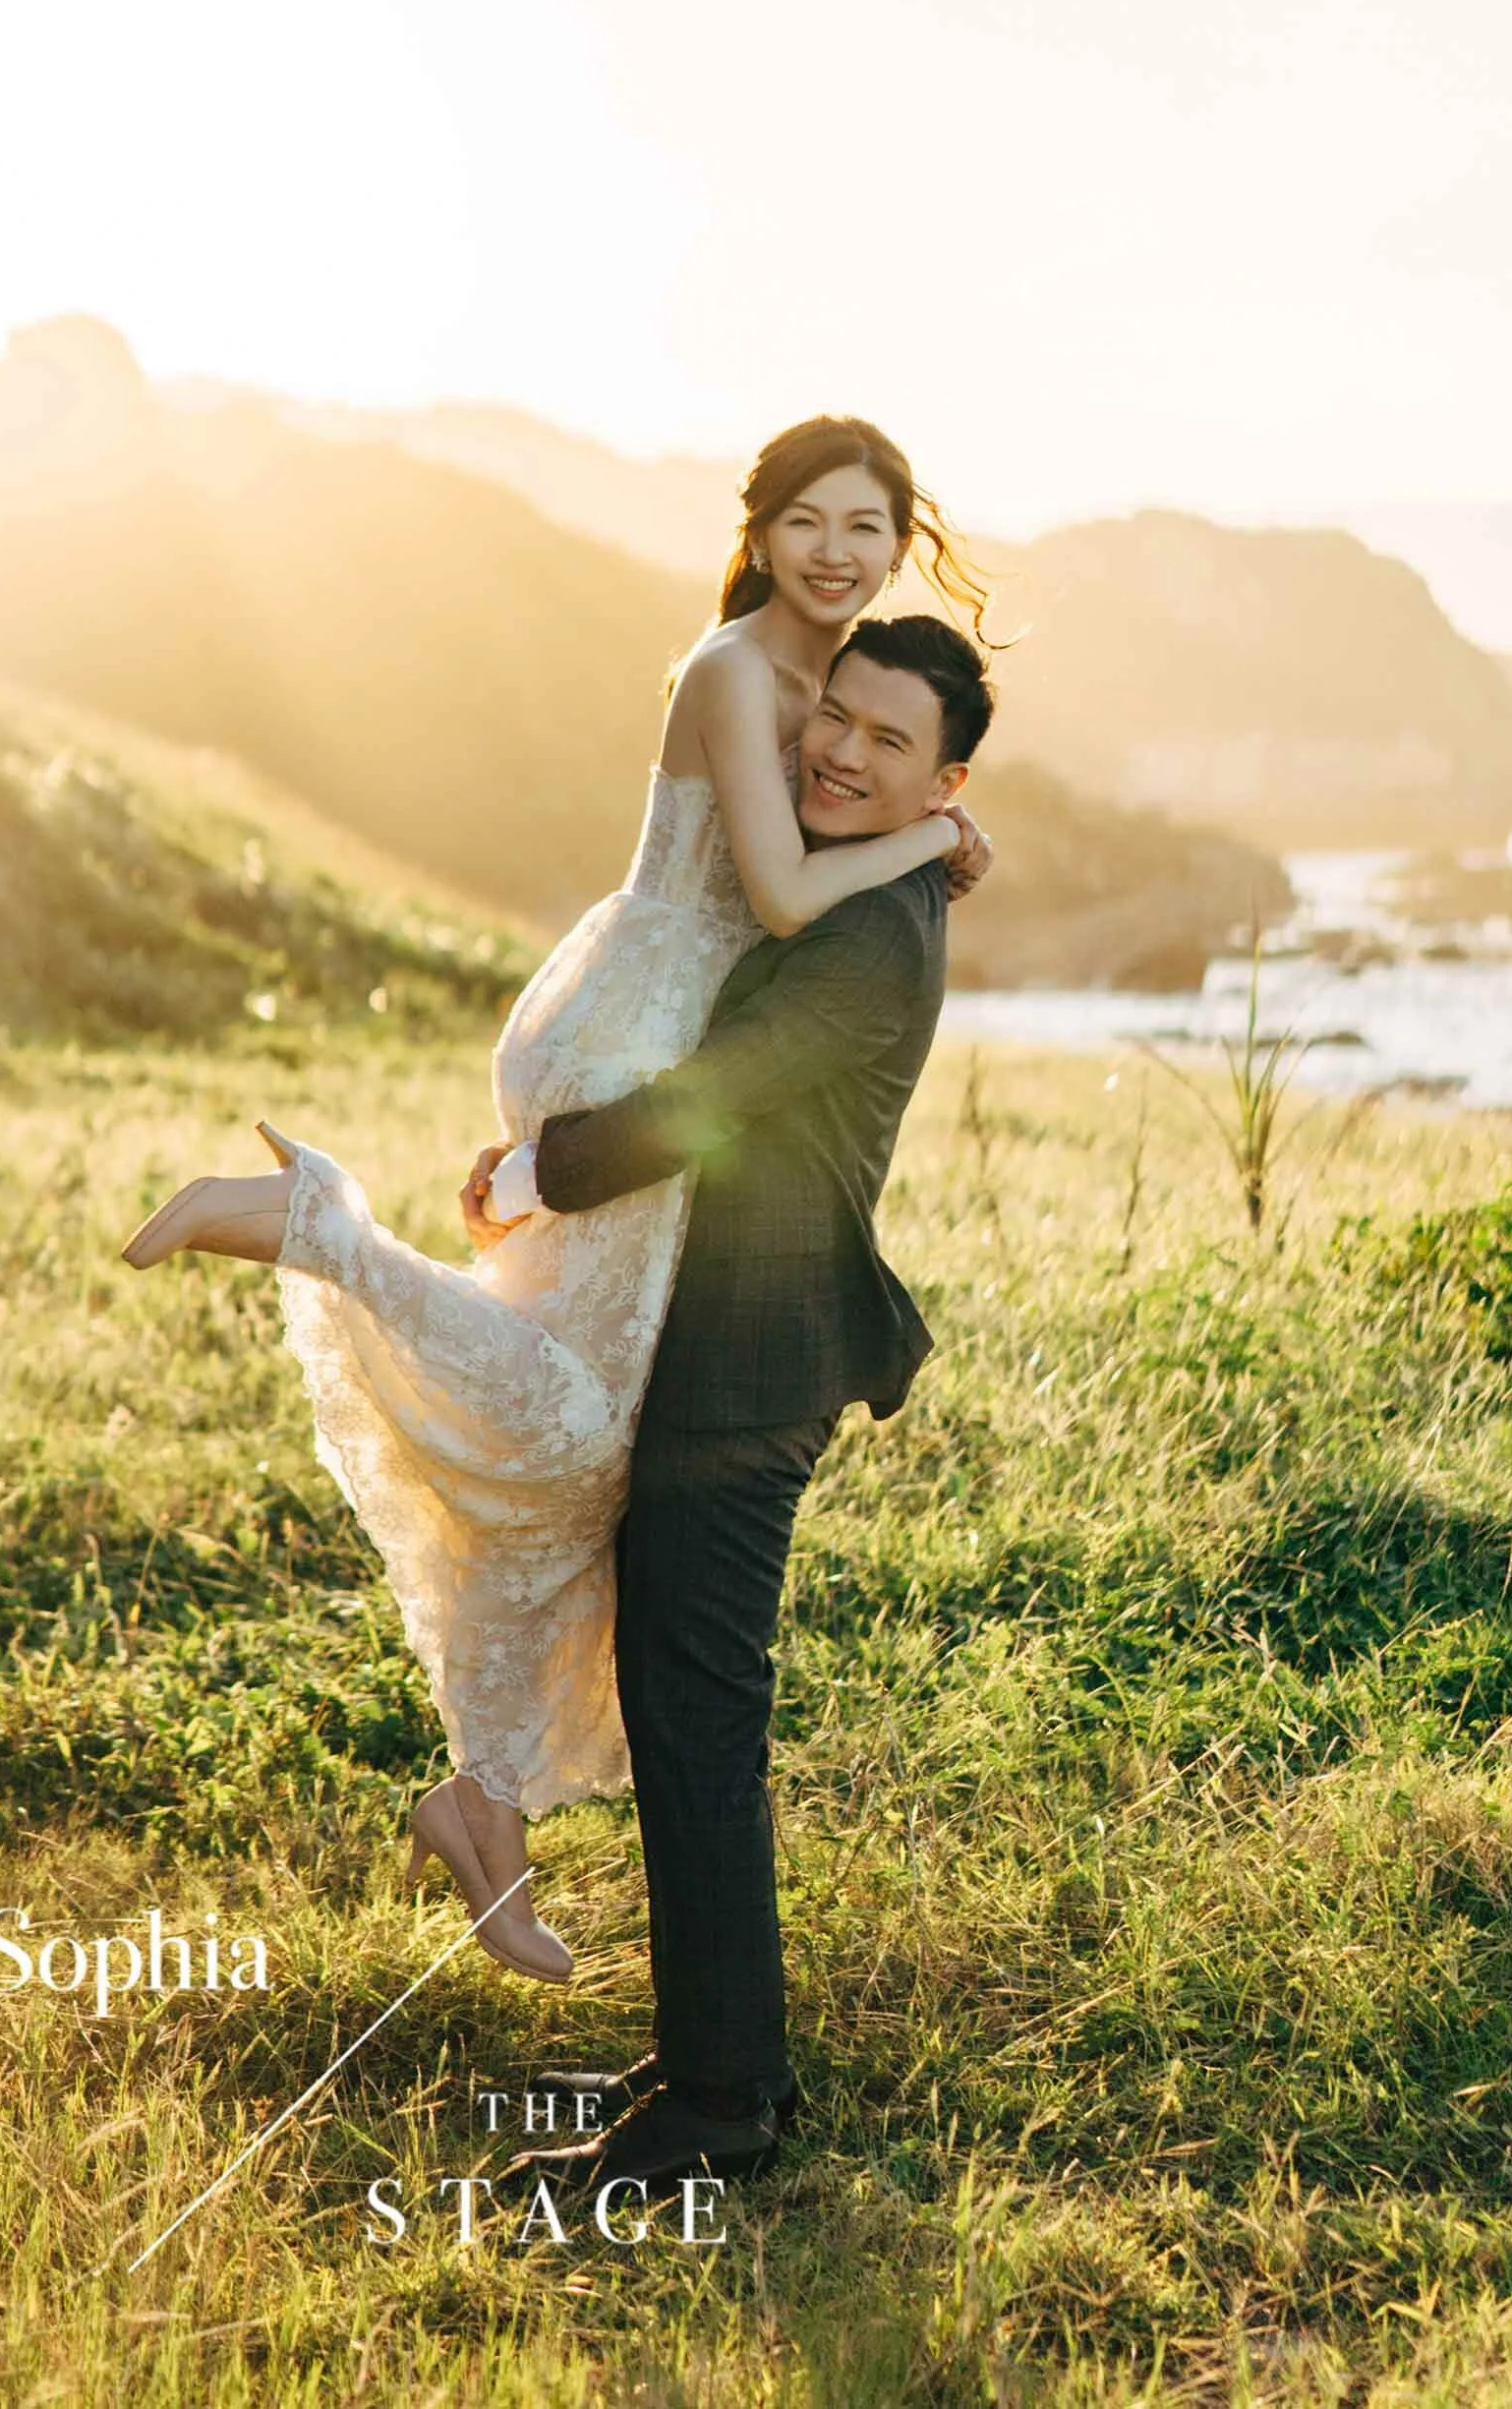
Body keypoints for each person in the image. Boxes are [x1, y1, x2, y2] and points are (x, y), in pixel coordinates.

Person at [119, 415, 990, 1981]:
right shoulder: (739, 670)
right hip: (646, 1026)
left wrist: (927, 825)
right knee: (579, 1429)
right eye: (810, 522)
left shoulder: (843, 688)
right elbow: (786, 892)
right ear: (764, 526)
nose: (838, 553)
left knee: (587, 1457)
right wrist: (928, 834)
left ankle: (484, 1803)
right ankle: (309, 1216)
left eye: (868, 527)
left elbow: (819, 851)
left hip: (659, 1022)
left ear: (903, 539)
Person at [494, 609, 994, 2199]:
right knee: (684, 1716)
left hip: (753, 1358)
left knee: (701, 1724)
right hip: (716, 1343)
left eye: (887, 739)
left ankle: (722, 2107)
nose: (842, 747)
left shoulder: (875, 932)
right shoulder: (858, 883)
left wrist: (539, 1172)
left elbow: (713, 1102)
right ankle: (718, 2054)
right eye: (834, 714)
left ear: (946, 781)